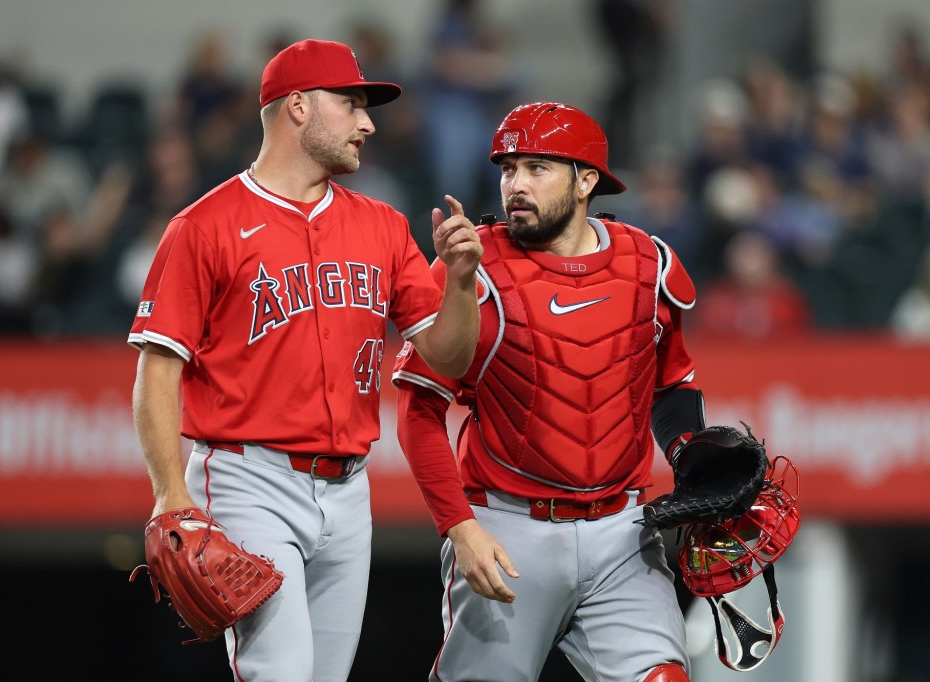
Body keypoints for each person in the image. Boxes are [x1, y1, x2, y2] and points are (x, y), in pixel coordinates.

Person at [127, 39, 482, 682]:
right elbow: (158, 371)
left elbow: (449, 358)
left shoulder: (381, 224)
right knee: (282, 672)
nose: (368, 122)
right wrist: (169, 494)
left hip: (351, 491)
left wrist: (460, 282)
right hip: (249, 480)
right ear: (298, 107)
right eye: (350, 105)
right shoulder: (204, 226)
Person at [393, 102, 701, 682]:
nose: (516, 184)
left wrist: (693, 456)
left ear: (586, 181)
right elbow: (418, 410)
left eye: (538, 168)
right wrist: (460, 529)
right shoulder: (470, 266)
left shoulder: (648, 264)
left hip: (623, 532)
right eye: (509, 169)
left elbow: (673, 384)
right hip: (508, 531)